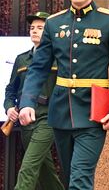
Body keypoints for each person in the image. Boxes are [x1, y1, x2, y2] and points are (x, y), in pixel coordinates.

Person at [18, 0, 109, 190]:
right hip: (61, 112)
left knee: (80, 177)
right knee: (72, 176)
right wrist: (27, 102)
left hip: (94, 114)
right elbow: (39, 68)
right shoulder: (53, 23)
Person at [3, 12, 64, 190]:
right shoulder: (22, 59)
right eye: (32, 28)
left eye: (40, 28)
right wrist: (9, 108)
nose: (34, 31)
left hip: (48, 119)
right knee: (46, 173)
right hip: (25, 122)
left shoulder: (59, 58)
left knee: (28, 168)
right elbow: (10, 90)